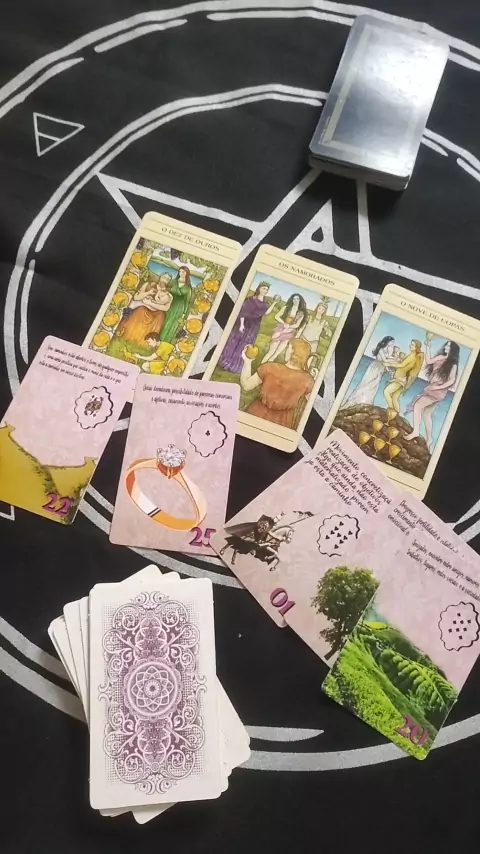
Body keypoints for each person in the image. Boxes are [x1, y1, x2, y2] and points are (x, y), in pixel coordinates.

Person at [240, 338, 314, 429]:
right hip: (283, 422)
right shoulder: (307, 380)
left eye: (288, 348)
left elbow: (246, 385)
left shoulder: (270, 367)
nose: (286, 351)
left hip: (257, 413)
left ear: (292, 351)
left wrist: (247, 361)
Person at [404, 340, 460, 448]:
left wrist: (437, 387)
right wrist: (428, 347)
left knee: (418, 405)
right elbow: (429, 361)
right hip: (431, 387)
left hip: (438, 390)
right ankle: (429, 439)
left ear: (453, 350)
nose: (445, 347)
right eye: (446, 345)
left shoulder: (453, 364)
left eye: (448, 346)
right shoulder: (441, 357)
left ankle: (416, 431)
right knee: (427, 414)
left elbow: (451, 380)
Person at [218, 283, 279, 374]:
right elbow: (243, 312)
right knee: (235, 341)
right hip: (245, 323)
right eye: (264, 288)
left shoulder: (265, 303)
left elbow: (266, 313)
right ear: (259, 289)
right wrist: (242, 325)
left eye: (267, 289)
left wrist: (274, 303)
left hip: (254, 327)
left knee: (246, 344)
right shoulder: (251, 299)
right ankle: (225, 361)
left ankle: (236, 366)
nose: (265, 291)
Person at [114, 274, 173, 345]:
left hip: (155, 312)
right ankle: (128, 336)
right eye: (164, 277)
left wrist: (150, 303)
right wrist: (148, 293)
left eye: (167, 279)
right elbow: (136, 297)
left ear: (169, 281)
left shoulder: (169, 295)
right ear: (160, 277)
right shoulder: (148, 285)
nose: (165, 280)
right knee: (142, 310)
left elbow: (165, 308)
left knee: (161, 315)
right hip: (142, 307)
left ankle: (147, 343)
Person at [343, 335, 397, 407]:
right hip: (374, 368)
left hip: (380, 369)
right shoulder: (381, 349)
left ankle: (366, 401)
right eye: (392, 342)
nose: (393, 344)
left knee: (373, 386)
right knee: (367, 384)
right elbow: (385, 360)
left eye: (393, 343)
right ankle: (355, 399)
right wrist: (396, 360)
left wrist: (390, 367)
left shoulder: (387, 350)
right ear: (387, 341)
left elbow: (386, 360)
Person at [261, 293, 308, 363]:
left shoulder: (301, 313)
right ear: (292, 300)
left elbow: (297, 325)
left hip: (290, 333)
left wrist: (289, 326)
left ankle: (267, 367)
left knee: (276, 354)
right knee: (271, 351)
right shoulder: (286, 307)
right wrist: (284, 323)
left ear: (300, 300)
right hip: (281, 329)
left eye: (297, 299)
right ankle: (261, 366)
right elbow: (276, 316)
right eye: (294, 299)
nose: (296, 300)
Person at [382, 339, 424, 413]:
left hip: (400, 379)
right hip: (402, 379)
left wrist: (388, 364)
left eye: (412, 345)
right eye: (410, 344)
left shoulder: (412, 357)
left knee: (386, 392)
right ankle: (396, 414)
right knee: (394, 397)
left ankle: (391, 411)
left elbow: (401, 365)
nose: (410, 346)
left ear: (416, 348)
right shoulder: (411, 355)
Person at [159, 266, 193, 344]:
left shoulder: (188, 287)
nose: (181, 273)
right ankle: (156, 339)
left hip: (179, 307)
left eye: (183, 272)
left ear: (187, 273)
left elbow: (187, 301)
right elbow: (166, 289)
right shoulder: (174, 281)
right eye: (180, 271)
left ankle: (164, 342)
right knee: (164, 320)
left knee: (172, 324)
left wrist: (184, 312)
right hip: (170, 302)